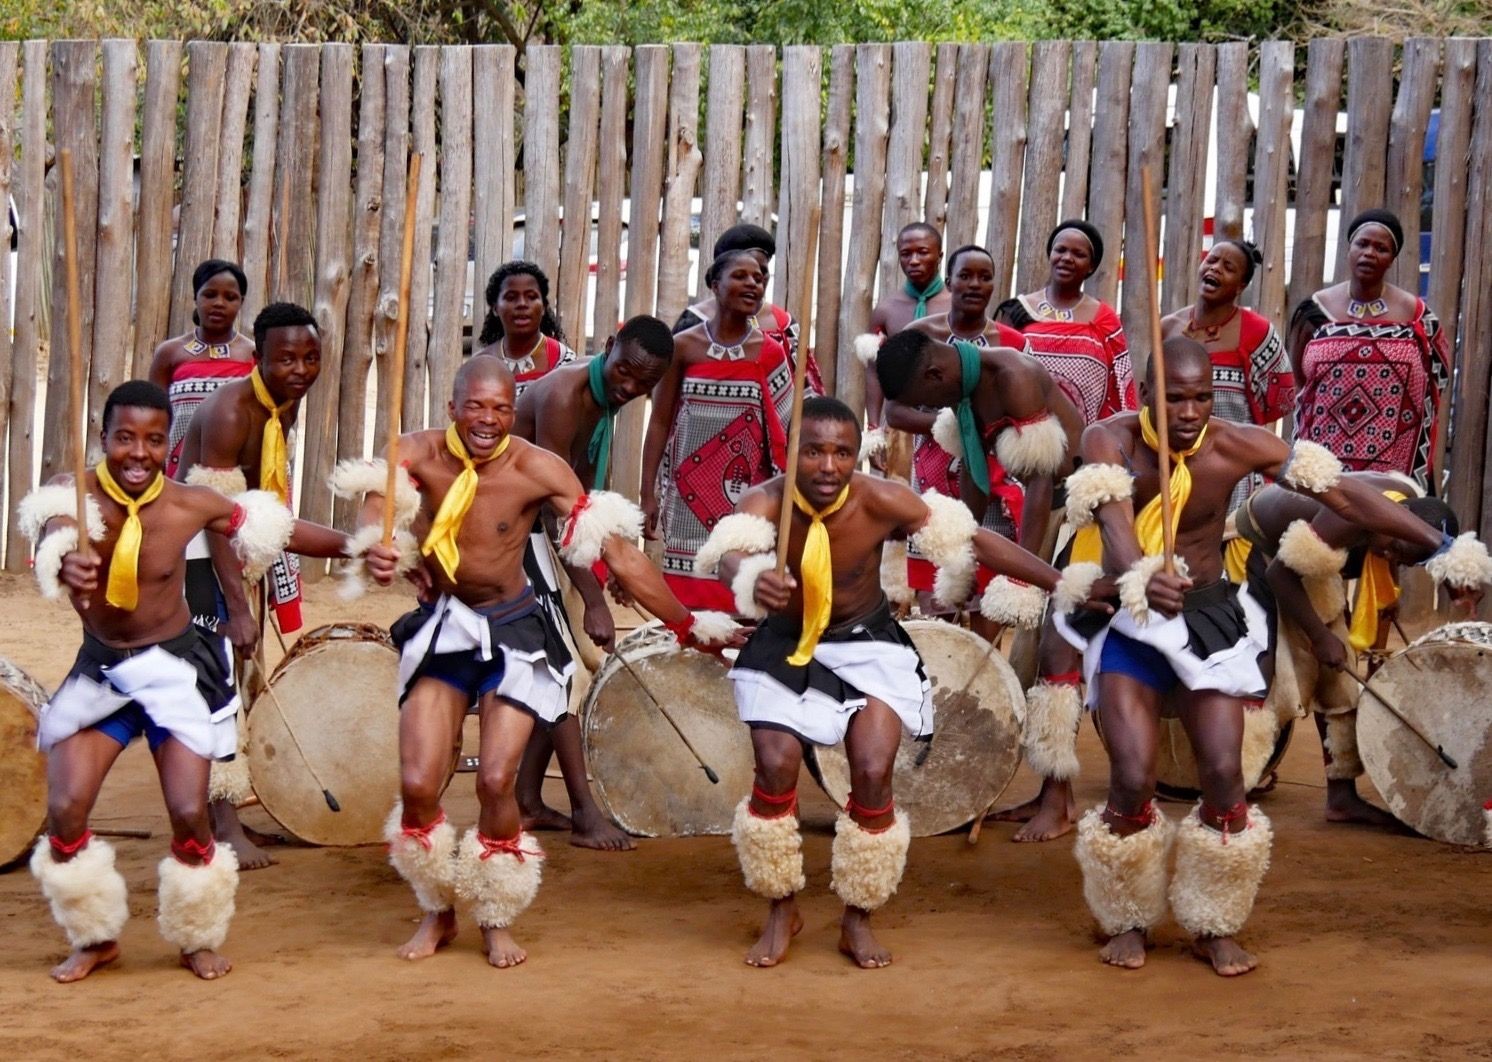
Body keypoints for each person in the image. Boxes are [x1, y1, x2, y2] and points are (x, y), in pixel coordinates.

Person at [1054, 337, 1453, 976]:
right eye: (1174, 397)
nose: (1189, 411)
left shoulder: (1237, 443)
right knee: (1132, 776)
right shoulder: (1111, 441)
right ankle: (1127, 917)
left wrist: (1440, 543)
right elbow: (1117, 528)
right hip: (1131, 621)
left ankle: (1214, 921)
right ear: (1145, 395)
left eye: (1201, 397)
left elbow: (1342, 493)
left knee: (1223, 772)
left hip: (1210, 617)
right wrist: (1137, 577)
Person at [344, 355, 737, 969]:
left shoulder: (537, 468)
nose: (489, 419)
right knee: (419, 785)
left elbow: (619, 555)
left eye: (501, 408)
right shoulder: (415, 453)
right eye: (476, 406)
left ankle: (496, 915)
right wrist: (380, 542)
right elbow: (377, 503)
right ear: (452, 408)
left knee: (496, 779)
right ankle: (438, 910)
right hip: (446, 626)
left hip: (515, 630)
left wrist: (688, 625)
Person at [695, 396, 1107, 969]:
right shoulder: (765, 501)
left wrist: (1063, 582)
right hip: (786, 645)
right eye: (812, 452)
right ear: (791, 455)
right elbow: (729, 553)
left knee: (870, 770)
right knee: (775, 764)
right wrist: (753, 578)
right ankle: (780, 907)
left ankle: (858, 917)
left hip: (867, 644)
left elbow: (974, 540)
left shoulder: (881, 499)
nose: (828, 466)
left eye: (841, 452)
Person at [19, 381, 393, 983]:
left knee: (190, 810)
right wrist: (63, 556)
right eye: (124, 438)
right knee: (65, 809)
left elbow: (281, 530)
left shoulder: (190, 503)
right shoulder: (76, 497)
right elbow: (51, 528)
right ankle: (95, 937)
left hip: (178, 668)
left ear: (167, 444)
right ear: (103, 439)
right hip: (105, 671)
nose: (137, 453)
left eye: (152, 440)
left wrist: (357, 547)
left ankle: (196, 934)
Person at [1228, 477, 1486, 827]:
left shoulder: (1402, 509)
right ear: (1396, 519)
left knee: (1340, 676)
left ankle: (1341, 797)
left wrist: (1385, 601)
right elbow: (1280, 574)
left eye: (1403, 561)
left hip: (1307, 558)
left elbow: (1397, 547)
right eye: (1393, 549)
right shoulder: (1351, 517)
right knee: (1264, 673)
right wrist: (1319, 637)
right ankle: (1227, 788)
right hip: (1255, 549)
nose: (1390, 557)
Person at [509, 315, 674, 851]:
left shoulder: (603, 397)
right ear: (608, 346)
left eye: (643, 385)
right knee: (567, 672)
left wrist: (608, 567)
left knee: (565, 667)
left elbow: (576, 503)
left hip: (541, 533)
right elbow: (558, 513)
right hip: (515, 537)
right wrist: (595, 595)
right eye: (624, 372)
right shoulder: (564, 396)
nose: (630, 388)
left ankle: (529, 801)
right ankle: (583, 814)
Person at [174, 302, 324, 869]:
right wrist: (236, 606)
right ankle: (219, 824)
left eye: (311, 357)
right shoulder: (232, 411)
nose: (300, 369)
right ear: (258, 357)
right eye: (286, 358)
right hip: (196, 550)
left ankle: (227, 813)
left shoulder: (281, 402)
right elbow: (214, 514)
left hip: (234, 548)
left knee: (237, 676)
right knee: (214, 684)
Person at [642, 249, 798, 610]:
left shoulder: (770, 352)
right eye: (740, 276)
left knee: (741, 590)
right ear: (714, 284)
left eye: (759, 278)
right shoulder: (683, 346)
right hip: (686, 496)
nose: (752, 284)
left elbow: (787, 434)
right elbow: (661, 421)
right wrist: (647, 491)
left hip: (747, 496)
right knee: (688, 602)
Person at [875, 324, 1079, 592]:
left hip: (1070, 509)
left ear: (934, 375)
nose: (932, 408)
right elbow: (974, 468)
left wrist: (1021, 580)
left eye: (926, 400)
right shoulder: (964, 387)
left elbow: (1042, 480)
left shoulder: (1013, 377)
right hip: (1041, 507)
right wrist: (965, 553)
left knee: (1051, 620)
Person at [1289, 209, 1449, 493]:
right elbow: (1299, 379)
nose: (1369, 253)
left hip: (1396, 469)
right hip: (1323, 463)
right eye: (1362, 244)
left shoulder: (1418, 317)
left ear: (1392, 258)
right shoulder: (1314, 312)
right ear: (1349, 248)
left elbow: (1439, 380)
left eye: (1381, 248)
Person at [1162, 239, 1294, 511]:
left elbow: (1282, 399)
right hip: (1174, 466)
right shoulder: (1167, 328)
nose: (1216, 268)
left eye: (1228, 267)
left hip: (1234, 471)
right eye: (1211, 260)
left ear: (1240, 286)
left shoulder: (1258, 332)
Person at [994, 219, 1135, 425]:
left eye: (1079, 254)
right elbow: (998, 374)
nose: (1067, 258)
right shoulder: (1018, 310)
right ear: (1050, 254)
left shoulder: (1104, 319)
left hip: (1084, 442)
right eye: (1060, 250)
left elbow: (1122, 386)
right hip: (1023, 439)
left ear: (1091, 266)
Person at [674, 222, 824, 395]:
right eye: (740, 275)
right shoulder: (692, 323)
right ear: (718, 281)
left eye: (761, 272)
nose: (752, 282)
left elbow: (806, 392)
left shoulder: (784, 325)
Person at [148, 259, 258, 479]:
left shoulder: (253, 354)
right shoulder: (170, 353)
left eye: (230, 297)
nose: (219, 303)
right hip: (178, 471)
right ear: (195, 297)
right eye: (209, 295)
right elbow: (154, 417)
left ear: (241, 302)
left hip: (238, 471)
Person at [861, 222, 953, 433]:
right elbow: (874, 371)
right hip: (901, 422)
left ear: (939, 255)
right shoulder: (886, 310)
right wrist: (874, 428)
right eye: (905, 254)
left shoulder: (956, 305)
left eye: (922, 252)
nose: (913, 261)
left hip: (949, 422)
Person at [473, 261, 578, 398]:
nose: (522, 304)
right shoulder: (480, 365)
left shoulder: (564, 361)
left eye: (531, 297)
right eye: (511, 297)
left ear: (544, 307)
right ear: (495, 308)